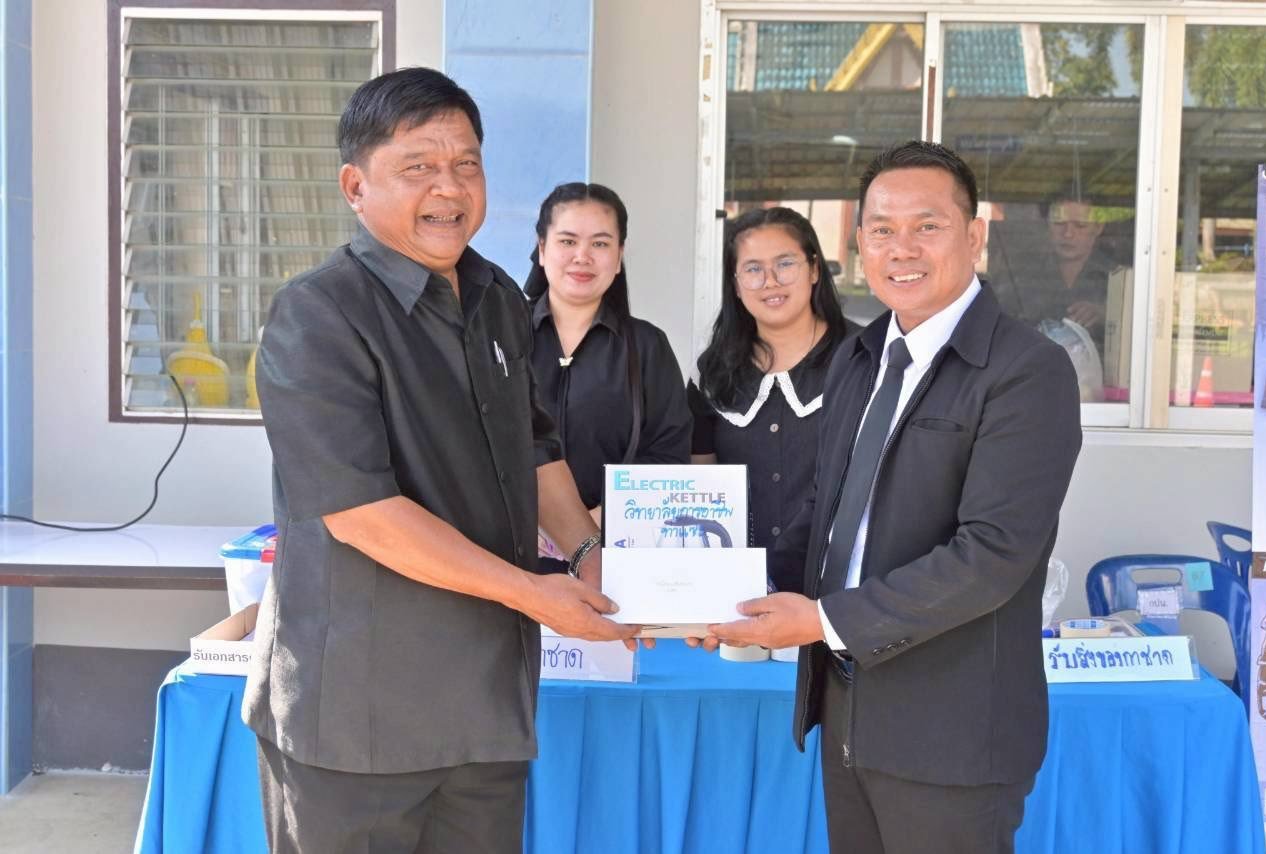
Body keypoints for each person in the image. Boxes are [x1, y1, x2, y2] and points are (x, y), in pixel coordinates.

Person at [242, 68, 636, 854]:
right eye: (418, 166)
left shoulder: (497, 298)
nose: (449, 188)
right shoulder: (317, 314)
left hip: (485, 710)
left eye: (466, 164)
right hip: (356, 724)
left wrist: (588, 551)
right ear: (356, 187)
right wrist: (533, 592)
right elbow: (361, 514)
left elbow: (534, 447)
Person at [694, 141, 1082, 854]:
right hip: (850, 717)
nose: (901, 248)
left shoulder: (1026, 370)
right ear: (859, 242)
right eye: (881, 229)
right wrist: (725, 600)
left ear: (974, 235)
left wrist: (821, 620)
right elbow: (826, 515)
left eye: (927, 226)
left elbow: (993, 555)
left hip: (952, 737)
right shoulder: (860, 356)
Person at [525, 182, 692, 570]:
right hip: (514, 558)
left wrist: (588, 526)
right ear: (542, 249)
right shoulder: (500, 336)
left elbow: (669, 456)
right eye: (567, 241)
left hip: (615, 557)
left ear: (619, 257)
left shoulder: (647, 346)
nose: (582, 256)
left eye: (600, 244)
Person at [687, 207, 851, 593]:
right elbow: (700, 484)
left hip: (839, 592)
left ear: (814, 269)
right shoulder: (711, 372)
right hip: (736, 590)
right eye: (753, 269)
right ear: (735, 283)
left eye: (785, 264)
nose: (770, 281)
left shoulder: (863, 357)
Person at [990, 195, 1122, 353]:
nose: (1068, 234)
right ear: (1047, 224)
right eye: (1059, 223)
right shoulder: (1025, 275)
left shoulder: (1116, 277)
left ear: (1098, 228)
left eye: (1080, 225)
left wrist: (1105, 315)